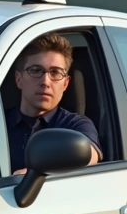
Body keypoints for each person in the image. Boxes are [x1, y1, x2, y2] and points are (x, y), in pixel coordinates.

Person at [6, 32, 102, 174]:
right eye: (36, 70)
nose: (45, 82)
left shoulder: (75, 125)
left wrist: (34, 174)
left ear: (65, 83)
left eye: (55, 72)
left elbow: (89, 154)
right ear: (18, 79)